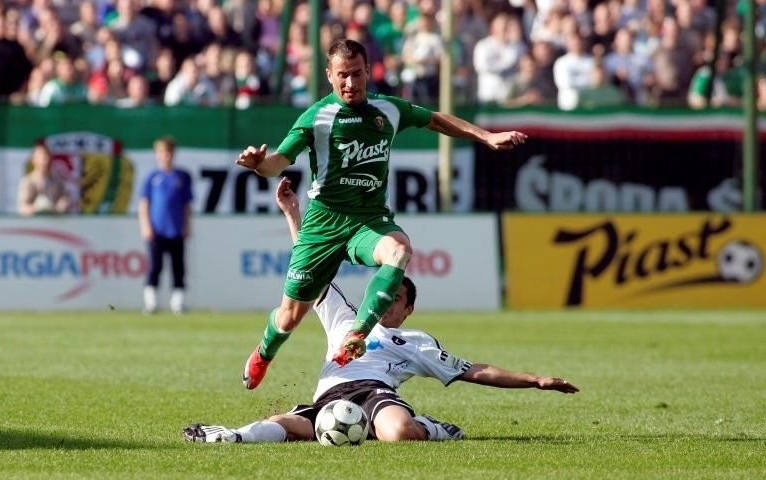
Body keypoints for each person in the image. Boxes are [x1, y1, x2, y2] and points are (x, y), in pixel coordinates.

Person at [183, 178, 578, 443]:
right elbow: (309, 265)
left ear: (408, 310)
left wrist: (535, 379)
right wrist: (291, 213)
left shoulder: (415, 342)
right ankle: (230, 435)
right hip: (329, 396)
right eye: (384, 295)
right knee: (283, 425)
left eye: (395, 299)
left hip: (375, 393)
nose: (386, 302)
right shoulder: (344, 316)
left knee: (399, 434)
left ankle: (432, 428)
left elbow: (473, 370)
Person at [236, 38, 527, 390]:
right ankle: (265, 352)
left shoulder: (387, 109)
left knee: (399, 250)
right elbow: (278, 162)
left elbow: (434, 119)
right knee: (289, 317)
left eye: (357, 74)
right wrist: (259, 165)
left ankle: (357, 334)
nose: (350, 83)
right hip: (324, 223)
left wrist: (486, 137)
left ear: (367, 71)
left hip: (368, 221)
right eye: (342, 75)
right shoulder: (317, 117)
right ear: (329, 75)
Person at [138, 136, 194, 315]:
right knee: (155, 266)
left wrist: (186, 225)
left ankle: (178, 302)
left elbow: (187, 204)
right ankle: (151, 302)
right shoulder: (151, 177)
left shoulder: (183, 176)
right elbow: (144, 204)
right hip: (157, 230)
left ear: (173, 154)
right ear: (157, 154)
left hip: (176, 229)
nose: (165, 156)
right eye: (161, 152)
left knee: (179, 267)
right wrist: (146, 226)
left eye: (168, 152)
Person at [17, 142, 74, 216]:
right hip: (34, 223)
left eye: (46, 156)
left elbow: (66, 197)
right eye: (41, 157)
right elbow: (22, 207)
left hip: (55, 222)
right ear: (33, 159)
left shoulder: (57, 181)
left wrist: (62, 204)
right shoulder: (28, 181)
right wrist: (36, 209)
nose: (45, 161)